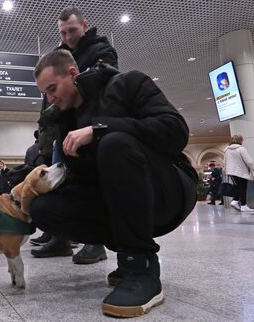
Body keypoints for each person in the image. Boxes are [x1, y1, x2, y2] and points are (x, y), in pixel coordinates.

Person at [30, 50, 197, 317]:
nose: (50, 98)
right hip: (121, 201)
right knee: (44, 208)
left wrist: (99, 129)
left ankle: (140, 266)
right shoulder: (66, 119)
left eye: (52, 88)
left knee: (114, 143)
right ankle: (125, 250)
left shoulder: (128, 83)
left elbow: (175, 131)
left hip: (168, 190)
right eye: (45, 93)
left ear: (73, 74)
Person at [33, 6, 119, 264]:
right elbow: (50, 100)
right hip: (65, 127)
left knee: (91, 183)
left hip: (93, 126)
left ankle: (95, 243)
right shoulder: (59, 56)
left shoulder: (101, 49)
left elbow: (107, 75)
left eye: (72, 30)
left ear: (84, 24)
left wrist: (77, 81)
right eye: (63, 32)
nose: (68, 36)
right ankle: (60, 237)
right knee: (60, 183)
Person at [224, 135, 254, 212]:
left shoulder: (226, 150)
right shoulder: (241, 149)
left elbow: (224, 161)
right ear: (240, 140)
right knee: (243, 188)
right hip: (241, 172)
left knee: (239, 187)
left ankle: (236, 201)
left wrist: (226, 170)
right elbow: (249, 162)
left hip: (231, 171)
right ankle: (243, 205)